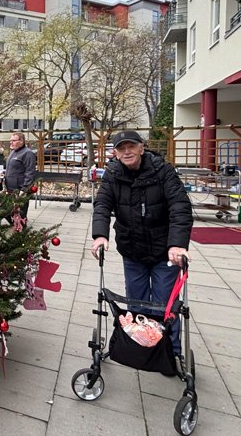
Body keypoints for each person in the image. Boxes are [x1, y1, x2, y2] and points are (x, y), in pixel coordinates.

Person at [90, 130, 193, 356]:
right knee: (136, 304)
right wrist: (100, 235)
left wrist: (177, 244)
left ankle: (170, 352)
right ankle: (140, 349)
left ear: (141, 148)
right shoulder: (113, 175)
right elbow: (103, 205)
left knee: (165, 306)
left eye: (131, 147)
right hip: (133, 249)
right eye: (121, 148)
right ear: (115, 153)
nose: (127, 152)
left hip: (164, 252)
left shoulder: (163, 171)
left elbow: (180, 207)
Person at [4, 132, 38, 219]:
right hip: (11, 188)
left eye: (14, 140)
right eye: (10, 140)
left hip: (21, 188)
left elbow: (30, 172)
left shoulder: (27, 153)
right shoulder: (13, 152)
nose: (11, 142)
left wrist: (25, 189)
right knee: (9, 211)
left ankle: (22, 228)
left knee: (21, 212)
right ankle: (15, 225)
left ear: (21, 141)